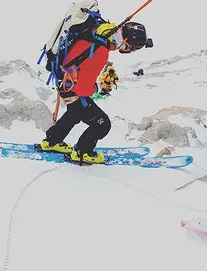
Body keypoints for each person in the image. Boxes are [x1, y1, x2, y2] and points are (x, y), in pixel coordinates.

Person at [40, 21, 141, 164]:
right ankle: (82, 152)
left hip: (64, 82)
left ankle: (51, 141)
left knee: (74, 114)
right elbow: (83, 88)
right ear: (125, 41)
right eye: (126, 47)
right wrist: (95, 88)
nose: (123, 49)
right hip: (73, 90)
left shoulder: (94, 31)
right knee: (102, 124)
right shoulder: (100, 50)